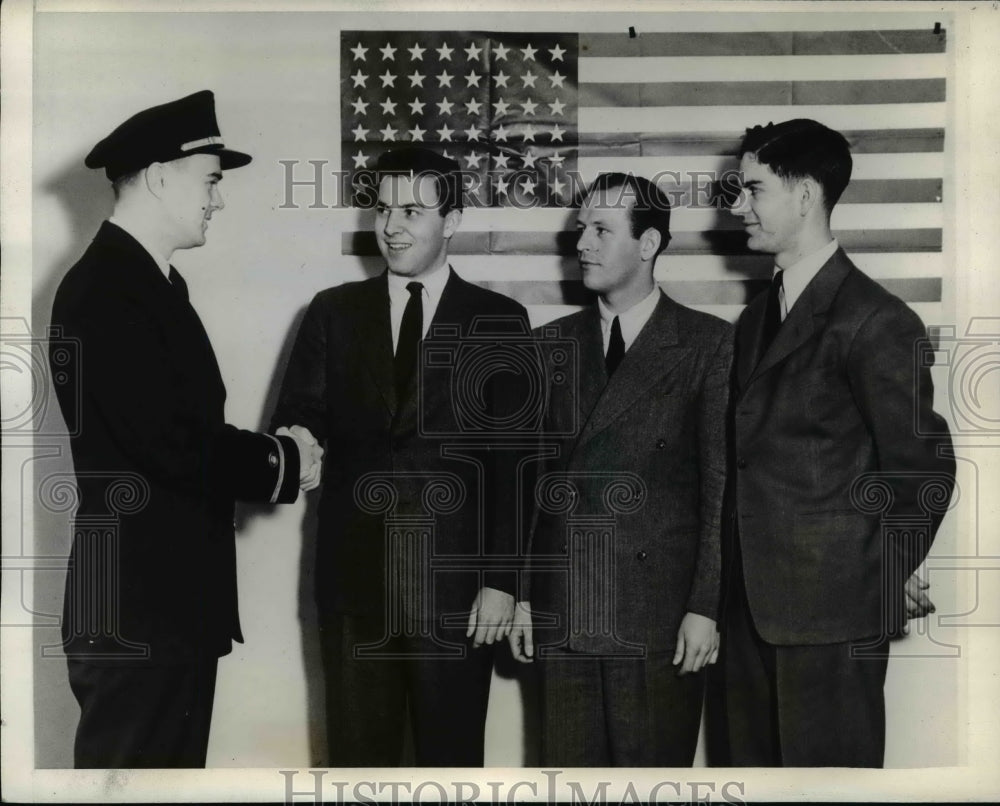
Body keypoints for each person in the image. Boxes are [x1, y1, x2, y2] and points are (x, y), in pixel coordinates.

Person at [48, 90, 323, 768]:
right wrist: (282, 460)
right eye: (211, 182)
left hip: (164, 605)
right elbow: (168, 441)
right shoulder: (107, 289)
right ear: (162, 176)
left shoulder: (150, 284)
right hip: (137, 612)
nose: (217, 200)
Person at [270, 147, 533, 766]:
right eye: (382, 209)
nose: (391, 226)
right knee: (358, 768)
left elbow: (516, 465)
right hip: (355, 586)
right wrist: (299, 445)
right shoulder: (332, 312)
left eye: (412, 210)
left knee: (451, 765)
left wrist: (502, 582)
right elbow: (299, 418)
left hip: (457, 594)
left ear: (454, 219)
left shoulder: (500, 320)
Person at [712, 118, 956, 766]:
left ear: (805, 195)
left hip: (832, 626)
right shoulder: (753, 320)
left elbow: (924, 468)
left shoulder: (876, 319)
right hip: (746, 621)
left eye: (753, 189)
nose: (738, 206)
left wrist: (883, 576)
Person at [508, 172, 732, 766]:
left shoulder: (710, 345)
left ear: (650, 243)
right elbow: (531, 486)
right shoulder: (548, 345)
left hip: (659, 619)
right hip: (565, 613)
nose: (582, 244)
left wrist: (705, 606)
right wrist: (527, 598)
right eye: (581, 229)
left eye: (602, 230)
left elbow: (720, 489)